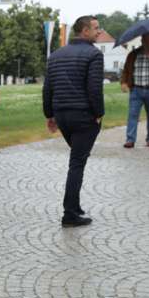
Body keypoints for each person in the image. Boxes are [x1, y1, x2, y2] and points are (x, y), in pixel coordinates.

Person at [43, 15, 105, 228]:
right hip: (84, 116)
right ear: (84, 31)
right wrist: (99, 113)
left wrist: (49, 115)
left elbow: (48, 88)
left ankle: (75, 207)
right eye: (96, 28)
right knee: (77, 163)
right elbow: (94, 88)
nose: (99, 31)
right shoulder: (94, 54)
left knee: (77, 160)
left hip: (62, 116)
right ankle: (69, 214)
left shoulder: (56, 55)